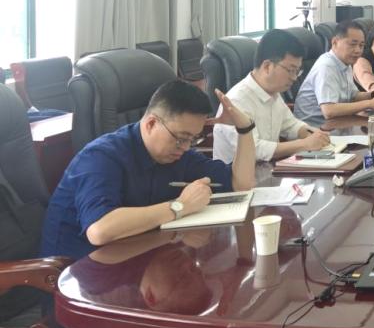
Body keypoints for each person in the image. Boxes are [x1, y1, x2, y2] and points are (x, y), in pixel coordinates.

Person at [40, 80, 256, 260]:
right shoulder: (101, 156)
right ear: (151, 123)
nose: (185, 147)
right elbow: (100, 230)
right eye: (181, 138)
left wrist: (245, 129)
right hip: (77, 278)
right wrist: (180, 206)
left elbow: (241, 184)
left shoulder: (179, 154)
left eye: (192, 139)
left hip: (138, 261)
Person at [212, 29, 330, 164]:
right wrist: (304, 144)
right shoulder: (236, 101)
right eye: (291, 70)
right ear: (267, 66)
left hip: (269, 170)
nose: (294, 78)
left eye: (297, 71)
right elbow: (253, 149)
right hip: (238, 175)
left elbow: (291, 125)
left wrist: (312, 134)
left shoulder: (273, 93)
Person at [292, 21, 374, 126]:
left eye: (361, 45)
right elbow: (329, 110)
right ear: (335, 42)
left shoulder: (346, 63)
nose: (358, 50)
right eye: (353, 44)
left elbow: (353, 96)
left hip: (339, 124)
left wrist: (373, 94)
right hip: (315, 129)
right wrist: (370, 104)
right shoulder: (326, 66)